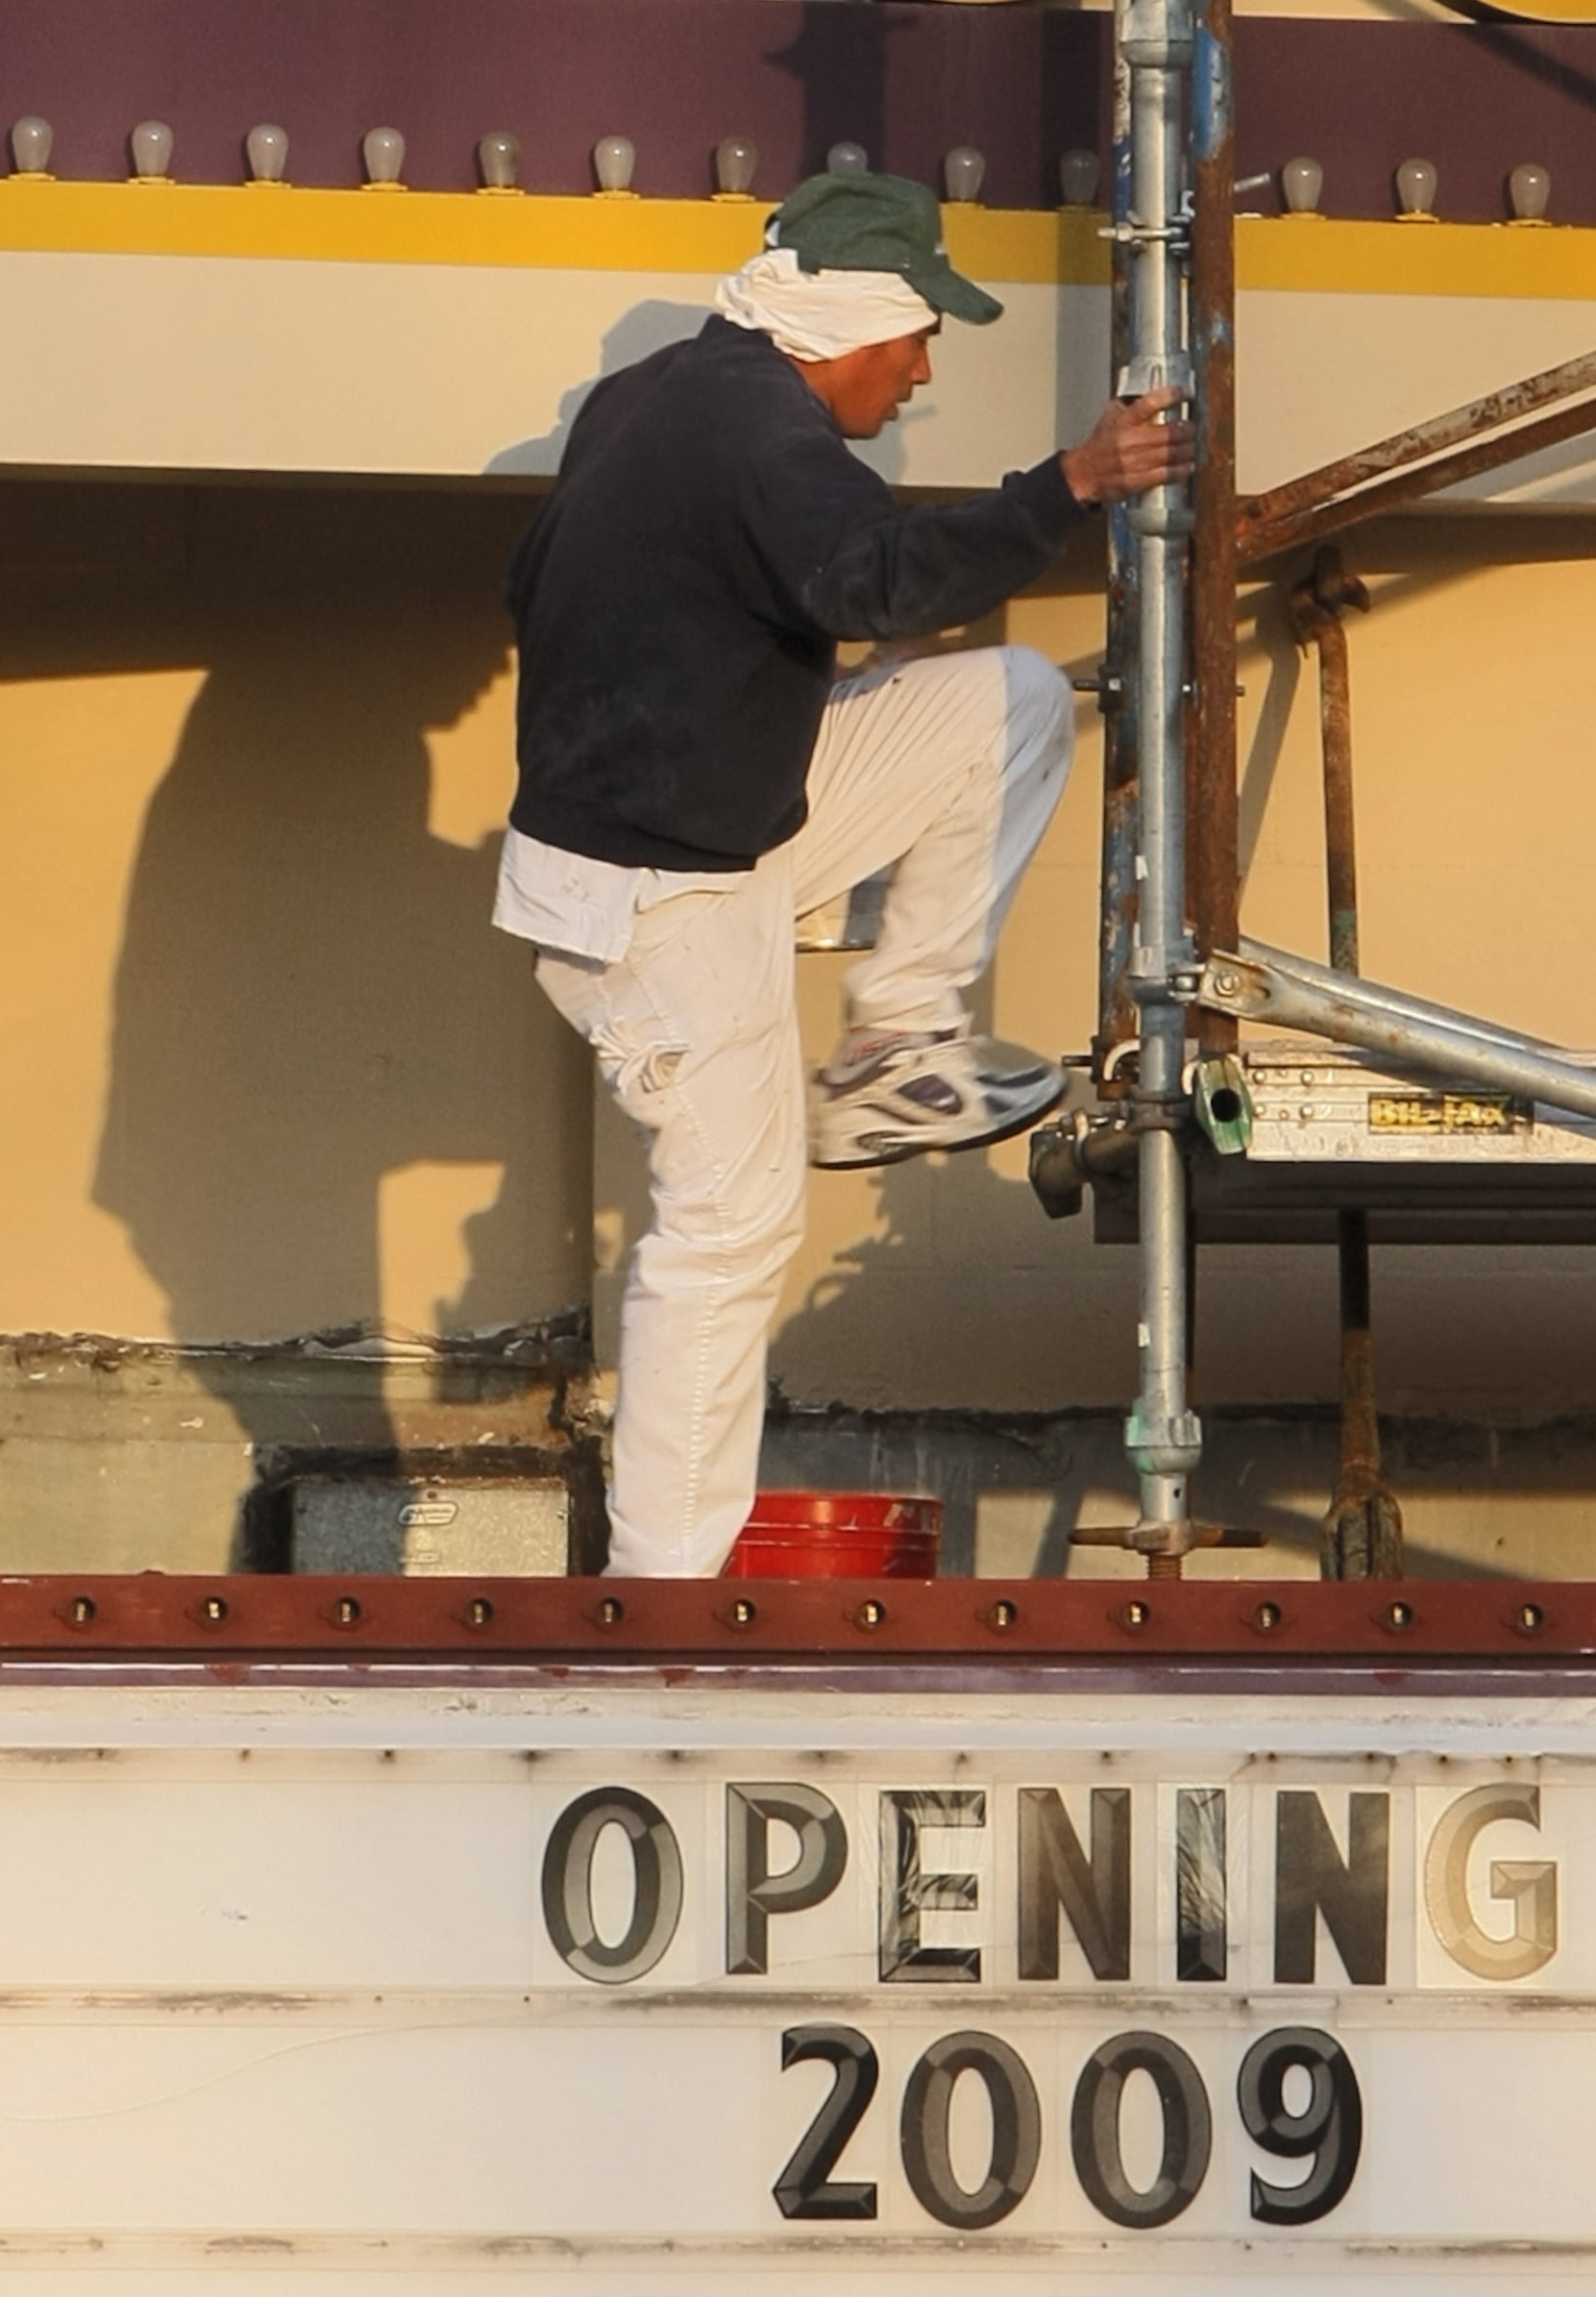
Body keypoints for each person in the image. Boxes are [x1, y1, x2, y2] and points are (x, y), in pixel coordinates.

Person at [496, 163, 1191, 1577]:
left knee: (1005, 701)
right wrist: (1070, 482)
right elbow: (874, 575)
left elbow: (555, 582)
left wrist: (767, 675)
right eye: (918, 335)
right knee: (730, 1224)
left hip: (710, 813)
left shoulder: (657, 396)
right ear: (854, 322)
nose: (922, 369)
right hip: (654, 895)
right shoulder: (765, 434)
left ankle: (897, 1038)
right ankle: (663, 1594)